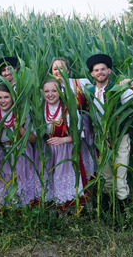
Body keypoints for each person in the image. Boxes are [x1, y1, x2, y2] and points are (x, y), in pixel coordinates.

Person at [85, 54, 133, 210]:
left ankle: (123, 216)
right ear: (92, 74)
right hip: (100, 139)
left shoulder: (119, 89)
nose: (100, 72)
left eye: (103, 69)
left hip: (119, 137)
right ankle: (109, 212)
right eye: (96, 70)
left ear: (109, 71)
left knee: (120, 177)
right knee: (107, 178)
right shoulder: (88, 92)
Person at [0, 83, 37, 207]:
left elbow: (34, 139)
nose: (2, 101)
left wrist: (20, 129)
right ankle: (0, 213)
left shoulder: (23, 111)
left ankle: (20, 214)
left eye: (6, 97)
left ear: (12, 97)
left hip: (19, 154)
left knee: (19, 187)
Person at [50, 57, 94, 204]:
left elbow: (96, 101)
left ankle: (88, 199)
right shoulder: (51, 87)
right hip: (62, 132)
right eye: (55, 69)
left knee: (87, 165)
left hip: (84, 130)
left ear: (68, 70)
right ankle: (66, 199)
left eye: (61, 68)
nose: (58, 71)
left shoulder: (80, 83)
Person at [42, 79, 84, 211]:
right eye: (47, 91)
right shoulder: (39, 108)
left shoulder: (68, 109)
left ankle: (67, 212)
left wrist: (63, 140)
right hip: (46, 151)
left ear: (61, 91)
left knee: (64, 181)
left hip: (64, 151)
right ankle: (50, 211)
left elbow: (79, 134)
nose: (50, 94)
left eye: (54, 90)